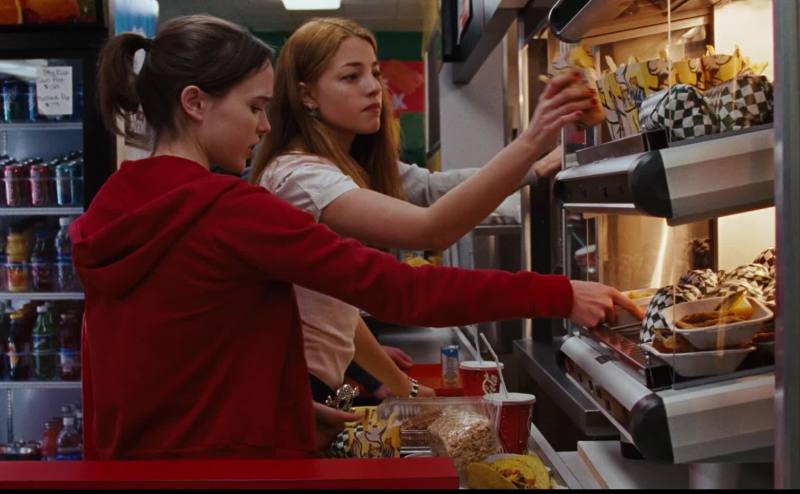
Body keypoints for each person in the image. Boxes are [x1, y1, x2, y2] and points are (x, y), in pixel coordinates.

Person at [76, 14, 638, 460]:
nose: (264, 125)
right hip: (229, 469)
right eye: (254, 107)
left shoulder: (113, 207)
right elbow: (403, 291)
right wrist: (558, 293)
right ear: (195, 102)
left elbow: (174, 359)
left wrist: (282, 404)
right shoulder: (230, 210)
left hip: (143, 465)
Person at [249, 17, 613, 404]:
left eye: (375, 73)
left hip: (311, 389)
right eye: (351, 77)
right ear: (307, 95)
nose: (373, 88)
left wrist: (404, 388)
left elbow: (336, 310)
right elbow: (430, 229)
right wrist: (533, 139)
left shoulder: (345, 164)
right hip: (291, 389)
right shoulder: (301, 178)